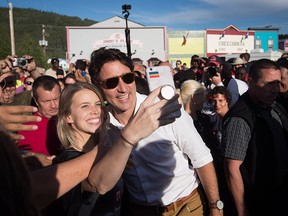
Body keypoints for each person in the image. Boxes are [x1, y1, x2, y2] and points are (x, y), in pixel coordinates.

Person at [89, 47, 223, 216]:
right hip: (140, 210)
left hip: (186, 207)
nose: (123, 88)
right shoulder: (101, 125)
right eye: (111, 82)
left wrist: (215, 206)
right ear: (97, 86)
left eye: (128, 78)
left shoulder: (164, 109)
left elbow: (201, 158)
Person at [44, 82, 124, 215]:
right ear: (68, 116)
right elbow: (97, 185)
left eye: (98, 104)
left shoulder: (107, 152)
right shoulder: (67, 161)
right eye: (85, 106)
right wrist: (127, 142)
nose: (95, 111)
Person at [221, 59, 288, 216]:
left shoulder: (275, 106)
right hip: (259, 201)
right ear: (250, 81)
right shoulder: (240, 117)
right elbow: (232, 168)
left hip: (279, 196)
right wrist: (241, 209)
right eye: (268, 84)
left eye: (277, 83)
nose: (275, 89)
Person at [18, 75, 62, 169]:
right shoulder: (28, 128)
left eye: (56, 99)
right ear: (36, 101)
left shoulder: (71, 118)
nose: (54, 105)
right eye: (46, 101)